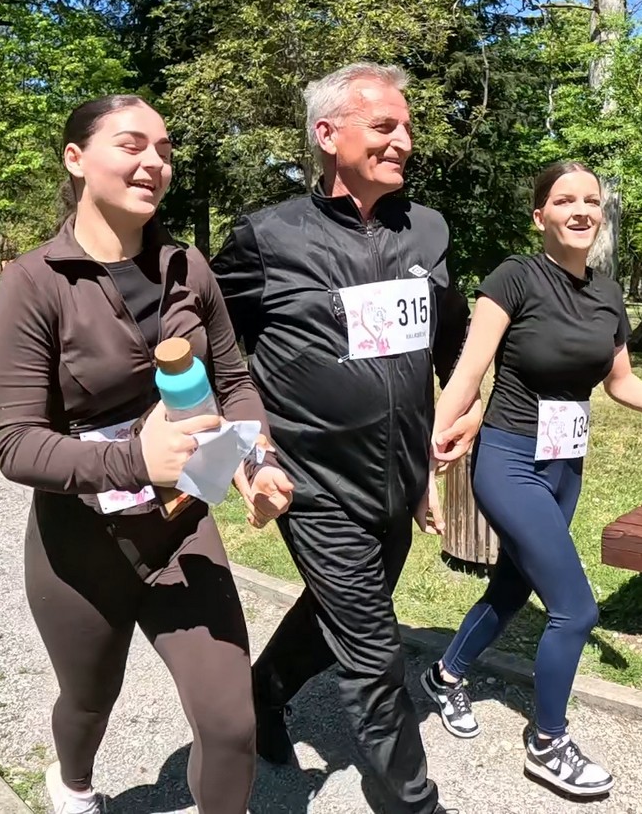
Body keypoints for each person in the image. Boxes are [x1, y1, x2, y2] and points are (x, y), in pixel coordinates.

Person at [0, 95, 291, 814]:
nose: (154, 162)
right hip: (80, 544)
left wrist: (258, 462)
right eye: (132, 145)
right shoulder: (35, 281)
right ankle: (72, 784)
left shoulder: (188, 267)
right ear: (76, 159)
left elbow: (234, 382)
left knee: (230, 725)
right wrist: (136, 461)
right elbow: (16, 444)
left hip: (182, 527)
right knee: (89, 700)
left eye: (164, 149)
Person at [212, 62, 473, 814]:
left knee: (342, 616)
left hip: (397, 482)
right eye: (384, 125)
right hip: (315, 485)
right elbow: (208, 350)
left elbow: (451, 339)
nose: (404, 141)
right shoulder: (267, 237)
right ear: (328, 135)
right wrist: (243, 457)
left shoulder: (427, 229)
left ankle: (264, 690)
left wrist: (467, 406)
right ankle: (412, 802)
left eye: (407, 127)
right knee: (374, 652)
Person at [420, 162, 642, 798]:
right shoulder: (514, 278)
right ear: (539, 215)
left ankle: (445, 675)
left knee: (513, 587)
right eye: (564, 200)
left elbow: (619, 381)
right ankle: (548, 743)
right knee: (575, 609)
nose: (581, 211)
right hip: (509, 460)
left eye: (591, 201)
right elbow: (468, 373)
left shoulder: (608, 294)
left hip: (564, 464)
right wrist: (429, 459)